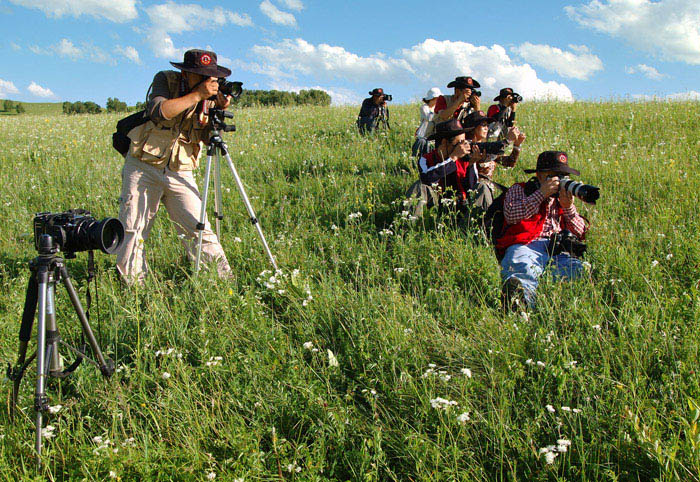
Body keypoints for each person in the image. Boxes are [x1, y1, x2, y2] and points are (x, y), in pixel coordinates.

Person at [115, 49, 234, 284]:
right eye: (199, 75)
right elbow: (159, 112)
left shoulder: (208, 98)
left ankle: (222, 284)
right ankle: (133, 288)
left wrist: (217, 111)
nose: (205, 81)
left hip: (180, 169)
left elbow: (209, 139)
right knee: (133, 228)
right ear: (185, 73)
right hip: (143, 165)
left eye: (209, 77)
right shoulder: (165, 80)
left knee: (198, 226)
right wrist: (198, 95)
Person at [497, 151, 589, 309]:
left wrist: (568, 208)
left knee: (579, 270)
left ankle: (559, 301)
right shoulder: (520, 189)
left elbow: (580, 232)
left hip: (557, 248)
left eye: (562, 176)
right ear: (540, 176)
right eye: (553, 175)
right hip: (526, 244)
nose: (559, 180)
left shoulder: (562, 196)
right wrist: (541, 194)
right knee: (522, 267)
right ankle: (520, 303)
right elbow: (511, 215)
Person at [462, 110, 526, 216]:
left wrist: (516, 146)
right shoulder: (467, 147)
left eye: (487, 125)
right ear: (473, 128)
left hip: (488, 191)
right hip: (474, 192)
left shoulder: (487, 148)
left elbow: (509, 162)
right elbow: (492, 149)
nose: (487, 128)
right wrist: (508, 140)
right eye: (483, 125)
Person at [417, 119, 473, 208]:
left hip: (461, 204)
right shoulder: (425, 159)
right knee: (419, 186)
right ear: (444, 142)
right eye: (459, 143)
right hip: (436, 204)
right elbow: (426, 178)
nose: (462, 147)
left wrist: (471, 165)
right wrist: (453, 158)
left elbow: (472, 188)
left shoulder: (465, 158)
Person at [412, 87, 442, 157]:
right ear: (433, 99)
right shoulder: (424, 107)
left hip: (432, 136)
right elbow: (430, 118)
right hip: (423, 135)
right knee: (421, 152)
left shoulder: (437, 108)